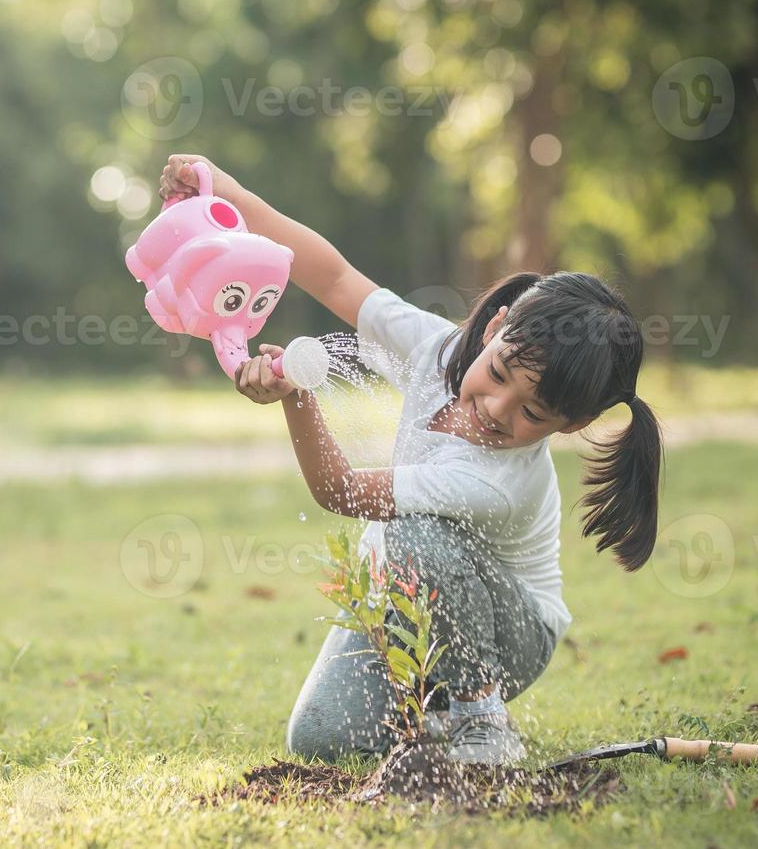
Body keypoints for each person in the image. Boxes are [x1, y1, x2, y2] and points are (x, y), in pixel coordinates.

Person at [157, 154, 664, 766]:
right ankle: (433, 715)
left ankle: (481, 717)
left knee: (417, 535)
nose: (498, 409)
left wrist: (296, 397)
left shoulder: (498, 479)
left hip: (511, 634)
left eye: (533, 414)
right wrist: (231, 193)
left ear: (574, 425)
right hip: (405, 593)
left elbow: (341, 491)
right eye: (499, 372)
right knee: (319, 741)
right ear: (494, 328)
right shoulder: (437, 347)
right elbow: (333, 276)